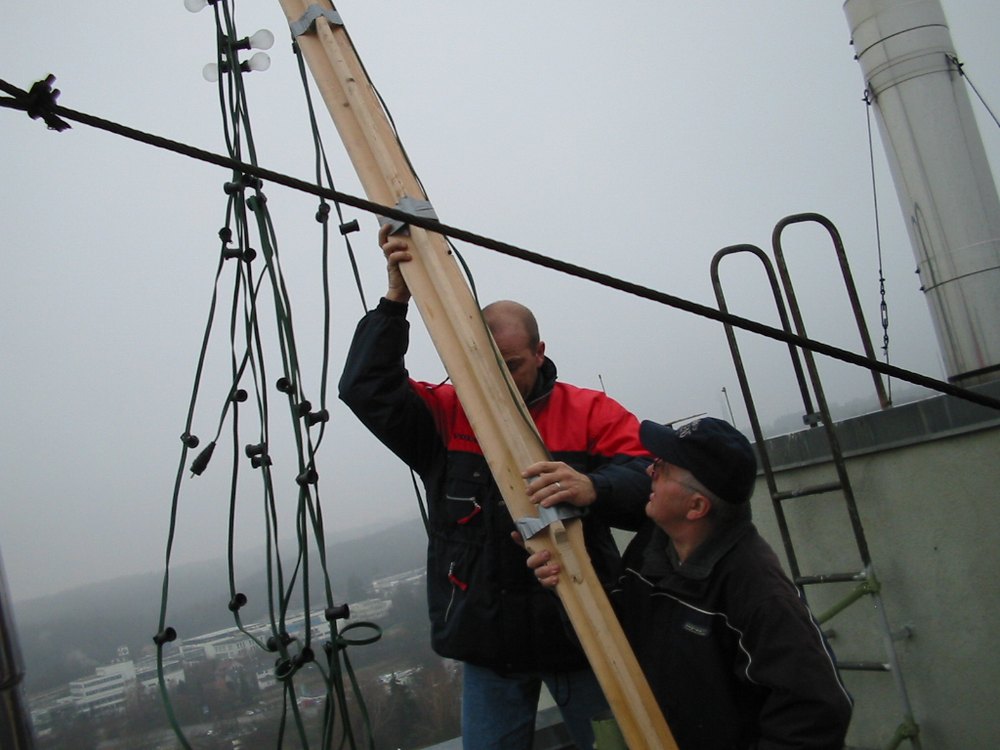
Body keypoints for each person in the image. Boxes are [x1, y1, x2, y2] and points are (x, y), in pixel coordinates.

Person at [338, 224, 651, 749]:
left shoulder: (589, 412)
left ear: (540, 351)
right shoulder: (447, 413)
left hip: (582, 639)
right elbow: (366, 388)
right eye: (490, 366)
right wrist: (395, 301)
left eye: (514, 366)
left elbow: (648, 480)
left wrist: (594, 487)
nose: (503, 380)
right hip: (490, 649)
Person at [527, 417, 853, 749]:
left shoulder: (760, 594)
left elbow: (817, 712)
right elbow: (614, 636)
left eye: (664, 468)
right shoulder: (652, 548)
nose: (649, 471)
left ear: (696, 506)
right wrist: (565, 586)